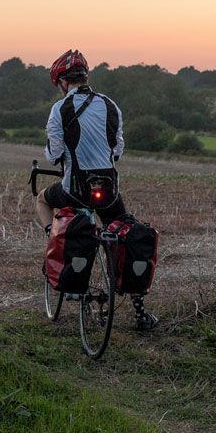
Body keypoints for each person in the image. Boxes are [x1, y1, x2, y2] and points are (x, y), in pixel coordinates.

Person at [35, 49, 158, 332]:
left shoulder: (60, 110)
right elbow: (117, 150)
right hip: (108, 189)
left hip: (75, 189)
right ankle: (140, 311)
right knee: (122, 233)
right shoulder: (110, 105)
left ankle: (55, 240)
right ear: (85, 76)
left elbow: (54, 155)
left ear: (62, 82)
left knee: (42, 200)